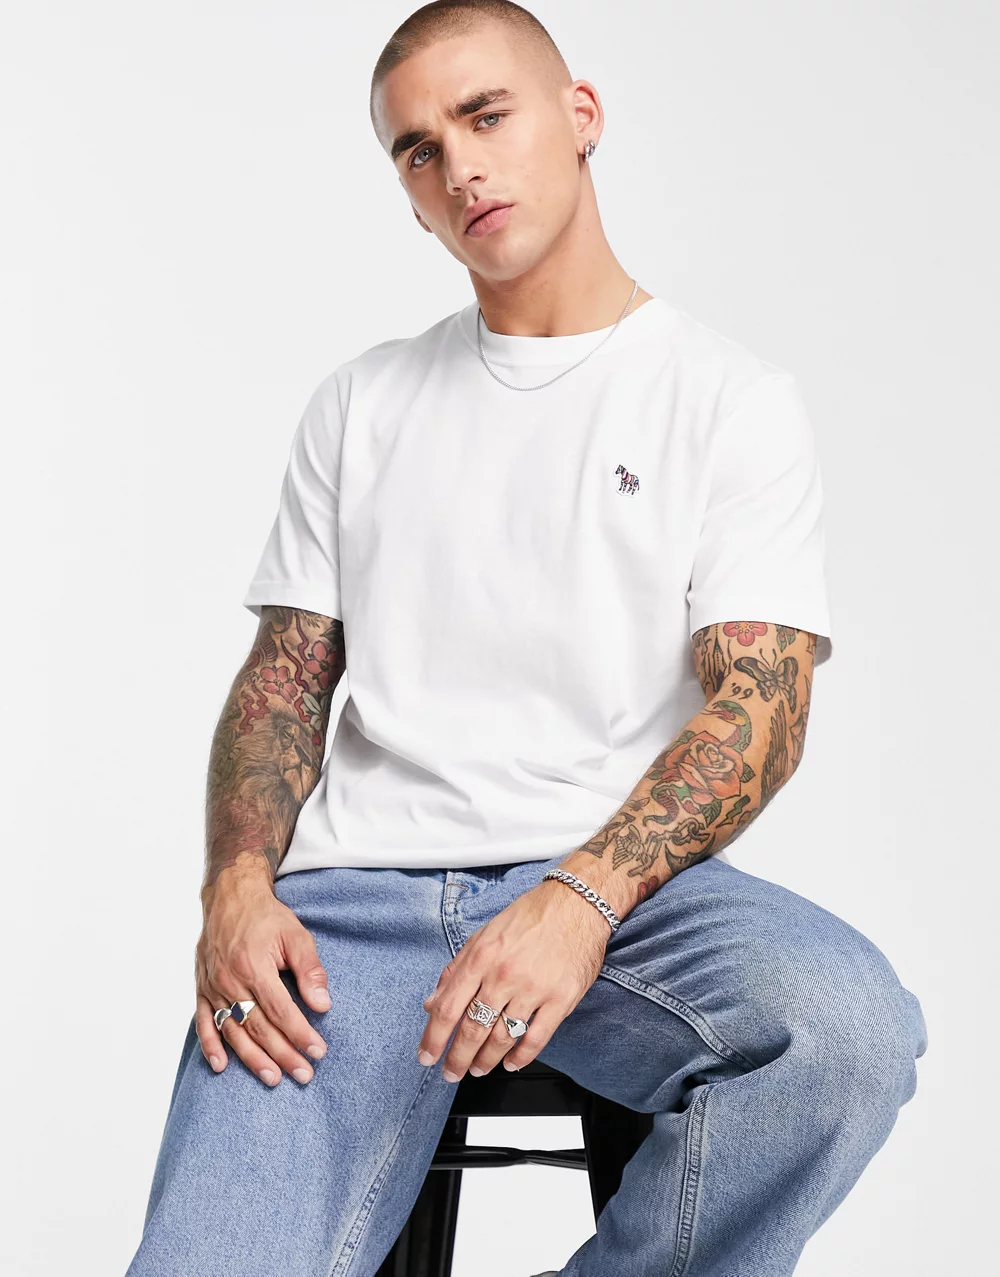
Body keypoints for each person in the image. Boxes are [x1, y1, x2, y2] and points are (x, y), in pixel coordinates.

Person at [126, 2, 928, 1274]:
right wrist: (234, 884)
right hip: (353, 915)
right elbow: (285, 678)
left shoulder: (726, 400)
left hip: (621, 896)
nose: (460, 166)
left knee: (843, 1027)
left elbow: (760, 711)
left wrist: (580, 896)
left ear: (581, 115)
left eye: (486, 116)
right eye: (418, 149)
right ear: (408, 197)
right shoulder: (361, 402)